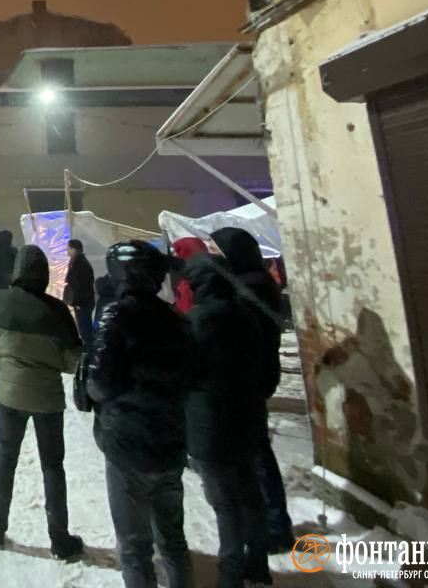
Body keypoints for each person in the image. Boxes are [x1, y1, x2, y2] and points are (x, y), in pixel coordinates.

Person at [81, 240, 195, 588]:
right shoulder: (175, 319)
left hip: (127, 441)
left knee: (133, 544)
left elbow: (99, 384)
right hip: (171, 438)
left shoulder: (117, 315)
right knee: (172, 535)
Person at [0, 244, 85, 562]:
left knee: (5, 457)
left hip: (9, 396)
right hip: (48, 400)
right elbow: (71, 360)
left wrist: (9, 359)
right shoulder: (57, 310)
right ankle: (59, 539)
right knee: (53, 467)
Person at [184, 247, 275, 588]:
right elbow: (263, 367)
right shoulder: (246, 314)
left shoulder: (199, 319)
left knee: (226, 503)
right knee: (251, 495)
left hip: (211, 424)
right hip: (248, 417)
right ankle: (259, 565)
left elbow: (187, 370)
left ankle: (231, 575)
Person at [211, 227, 294, 553]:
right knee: (252, 450)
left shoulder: (252, 287)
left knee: (257, 453)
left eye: (215, 249)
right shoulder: (249, 281)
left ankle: (275, 525)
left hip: (249, 378)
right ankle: (266, 520)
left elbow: (245, 337)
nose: (211, 255)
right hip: (250, 377)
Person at [62, 238, 96, 345]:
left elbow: (81, 285)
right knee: (83, 328)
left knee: (85, 329)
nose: (66, 251)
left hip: (82, 302)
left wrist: (79, 301)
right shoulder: (76, 262)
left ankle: (88, 352)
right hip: (80, 302)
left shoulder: (80, 264)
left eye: (68, 249)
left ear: (74, 249)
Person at [169, 237, 206, 314]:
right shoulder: (211, 270)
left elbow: (185, 311)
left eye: (177, 251)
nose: (173, 255)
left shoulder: (187, 284)